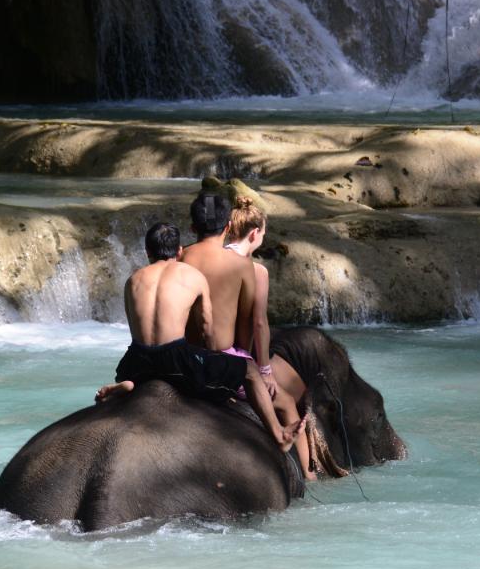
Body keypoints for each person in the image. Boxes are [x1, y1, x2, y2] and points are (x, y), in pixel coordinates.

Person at [181, 191, 301, 451]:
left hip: (183, 358)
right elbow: (248, 322)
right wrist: (257, 367)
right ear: (227, 226)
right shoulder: (242, 266)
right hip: (222, 362)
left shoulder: (180, 257)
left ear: (192, 227)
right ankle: (286, 442)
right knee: (284, 400)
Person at [95, 222, 252, 409]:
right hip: (174, 360)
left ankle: (131, 383)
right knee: (251, 371)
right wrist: (212, 359)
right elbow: (206, 328)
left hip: (135, 361)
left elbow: (134, 329)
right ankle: (279, 432)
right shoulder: (193, 275)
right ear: (179, 251)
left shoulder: (133, 280)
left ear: (147, 252)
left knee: (143, 361)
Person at [223, 194, 315, 479]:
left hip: (194, 354)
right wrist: (265, 371)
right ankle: (310, 477)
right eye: (263, 233)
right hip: (234, 362)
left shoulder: (205, 258)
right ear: (254, 233)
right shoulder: (255, 271)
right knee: (287, 403)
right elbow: (259, 324)